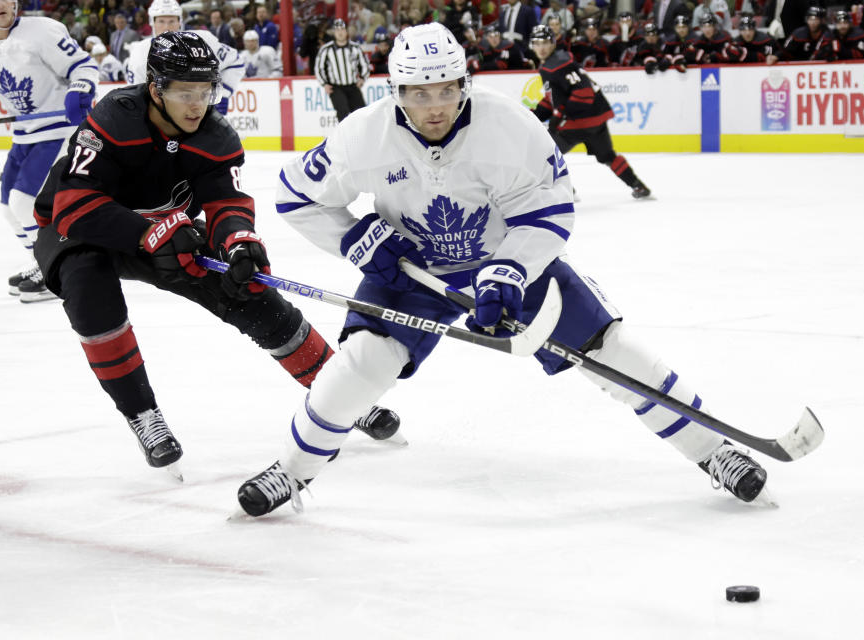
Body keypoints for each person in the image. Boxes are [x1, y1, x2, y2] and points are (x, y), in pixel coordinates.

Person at [237, 22, 769, 517]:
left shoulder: (510, 126)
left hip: (507, 261)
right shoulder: (363, 135)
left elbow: (550, 206)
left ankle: (712, 450)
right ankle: (293, 470)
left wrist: (511, 268)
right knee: (359, 365)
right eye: (420, 93)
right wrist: (356, 239)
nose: (435, 106)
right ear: (395, 90)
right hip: (411, 271)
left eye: (446, 88)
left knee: (613, 349)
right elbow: (296, 195)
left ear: (465, 82)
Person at [31, 31, 399, 478]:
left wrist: (239, 241)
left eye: (205, 91)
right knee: (90, 290)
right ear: (155, 90)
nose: (197, 104)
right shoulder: (113, 119)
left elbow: (226, 202)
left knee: (247, 289)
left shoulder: (215, 134)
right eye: (185, 92)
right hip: (82, 231)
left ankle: (337, 394)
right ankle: (143, 415)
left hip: (167, 230)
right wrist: (149, 233)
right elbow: (73, 206)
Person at [0, 0, 97, 302]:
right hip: (24, 135)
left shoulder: (43, 31)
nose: (0, 3)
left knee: (24, 201)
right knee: (6, 207)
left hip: (57, 130)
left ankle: (57, 269)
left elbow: (82, 65)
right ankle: (43, 263)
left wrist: (80, 89)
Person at [529, 25, 650, 199]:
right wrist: (536, 114)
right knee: (608, 156)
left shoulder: (556, 65)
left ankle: (567, 190)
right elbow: (555, 97)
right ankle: (638, 186)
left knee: (543, 152)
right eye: (537, 43)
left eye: (545, 43)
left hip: (578, 122)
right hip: (596, 119)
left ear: (553, 44)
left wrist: (558, 116)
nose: (541, 48)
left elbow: (583, 94)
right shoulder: (557, 61)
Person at [124, 0, 244, 116]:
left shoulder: (200, 41)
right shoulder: (140, 52)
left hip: (199, 117)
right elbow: (137, 95)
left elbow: (235, 62)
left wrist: (224, 94)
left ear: (180, 22)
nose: (167, 27)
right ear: (152, 23)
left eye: (172, 21)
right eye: (161, 21)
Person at [314, 19, 369, 123]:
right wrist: (324, 84)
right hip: (336, 87)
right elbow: (319, 68)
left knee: (361, 113)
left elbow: (365, 64)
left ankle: (361, 136)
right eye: (337, 30)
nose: (340, 32)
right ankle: (345, 137)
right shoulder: (326, 49)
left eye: (342, 29)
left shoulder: (355, 48)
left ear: (346, 31)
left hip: (352, 85)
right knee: (343, 112)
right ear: (334, 32)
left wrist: (362, 78)